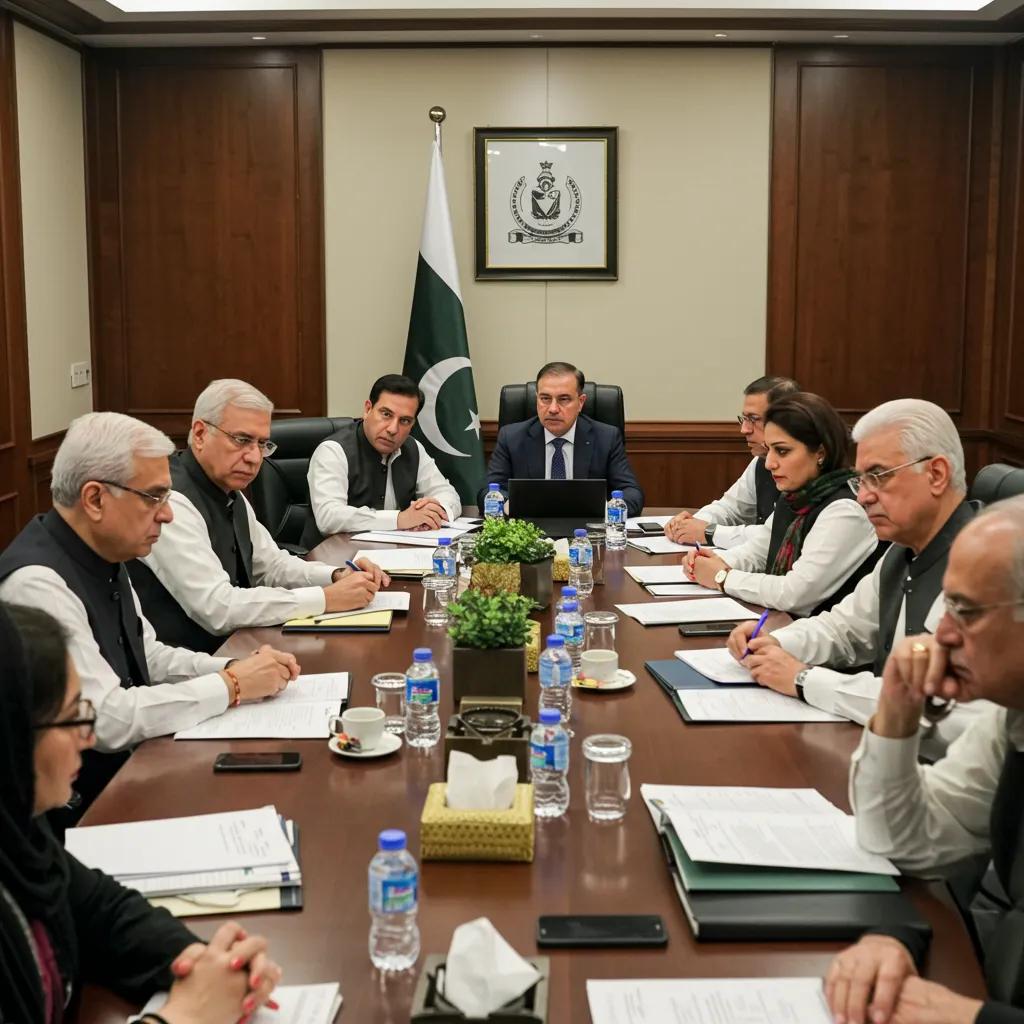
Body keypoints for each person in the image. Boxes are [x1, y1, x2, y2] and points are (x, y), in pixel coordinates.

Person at [0, 412, 299, 818]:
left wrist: (237, 667)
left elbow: (148, 656)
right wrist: (230, 685)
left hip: (133, 771)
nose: (168, 514)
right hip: (82, 809)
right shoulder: (39, 583)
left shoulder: (105, 552)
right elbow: (105, 719)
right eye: (153, 497)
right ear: (95, 499)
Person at [0, 601, 282, 1024]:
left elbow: (101, 911)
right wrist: (181, 1017)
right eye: (73, 715)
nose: (88, 734)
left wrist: (200, 961)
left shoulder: (19, 831)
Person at [824, 496, 1024, 1024]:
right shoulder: (1011, 721)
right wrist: (897, 707)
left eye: (967, 611)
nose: (944, 635)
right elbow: (900, 839)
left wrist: (970, 1018)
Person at [725, 399, 983, 747]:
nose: (863, 497)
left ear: (936, 474)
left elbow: (941, 709)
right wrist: (774, 642)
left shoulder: (985, 568)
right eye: (862, 480)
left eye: (878, 476)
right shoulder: (902, 551)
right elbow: (846, 629)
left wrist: (803, 680)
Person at [128, 379, 389, 653]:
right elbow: (219, 608)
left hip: (240, 649)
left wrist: (336, 575)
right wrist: (324, 599)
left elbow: (271, 565)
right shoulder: (172, 502)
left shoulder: (230, 493)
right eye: (242, 440)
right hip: (189, 669)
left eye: (262, 444)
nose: (254, 457)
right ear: (201, 434)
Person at [683, 392, 878, 616]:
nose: (770, 464)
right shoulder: (794, 497)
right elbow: (757, 553)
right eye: (769, 450)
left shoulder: (845, 510)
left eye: (782, 451)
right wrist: (708, 561)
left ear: (820, 453)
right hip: (781, 629)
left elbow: (795, 594)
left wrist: (723, 577)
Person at [306, 373, 462, 543]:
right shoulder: (333, 451)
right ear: (367, 409)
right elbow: (329, 517)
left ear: (412, 424)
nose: (393, 429)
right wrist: (399, 519)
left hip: (391, 555)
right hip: (333, 561)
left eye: (404, 421)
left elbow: (446, 493)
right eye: (386, 414)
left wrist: (436, 511)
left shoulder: (413, 448)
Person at [479, 361, 644, 516]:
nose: (552, 409)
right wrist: (511, 505)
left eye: (563, 399)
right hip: (529, 531)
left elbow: (632, 493)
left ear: (580, 402)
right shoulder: (512, 437)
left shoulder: (606, 438)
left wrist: (605, 510)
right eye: (545, 398)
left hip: (586, 533)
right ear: (536, 399)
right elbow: (488, 491)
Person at [665, 375, 800, 547]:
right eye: (744, 419)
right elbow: (731, 508)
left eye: (753, 419)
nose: (744, 429)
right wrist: (689, 523)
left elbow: (778, 534)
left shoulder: (808, 470)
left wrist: (709, 532)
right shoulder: (761, 461)